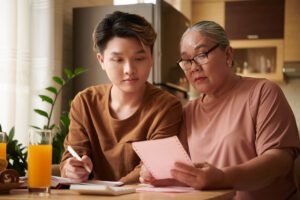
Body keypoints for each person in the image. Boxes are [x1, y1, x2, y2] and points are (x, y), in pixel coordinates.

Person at [140, 21, 300, 200]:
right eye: (186, 60)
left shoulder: (262, 92)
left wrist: (223, 178)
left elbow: (280, 161)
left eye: (201, 55)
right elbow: (187, 173)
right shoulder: (188, 111)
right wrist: (161, 175)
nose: (194, 67)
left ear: (228, 54)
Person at [60, 11, 182, 184]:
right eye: (118, 60)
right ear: (102, 60)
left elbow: (150, 168)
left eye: (139, 58)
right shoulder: (85, 102)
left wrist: (113, 191)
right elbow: (72, 156)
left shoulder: (167, 107)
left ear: (152, 57)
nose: (129, 69)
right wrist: (71, 169)